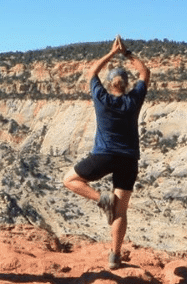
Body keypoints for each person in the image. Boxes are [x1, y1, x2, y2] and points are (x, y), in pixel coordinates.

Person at [63, 35, 150, 270]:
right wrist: (127, 53)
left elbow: (92, 72)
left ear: (111, 83)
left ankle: (101, 199)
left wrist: (111, 53)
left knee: (69, 179)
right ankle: (115, 256)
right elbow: (145, 73)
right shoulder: (134, 100)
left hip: (104, 155)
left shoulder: (101, 98)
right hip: (129, 159)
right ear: (125, 83)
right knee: (121, 210)